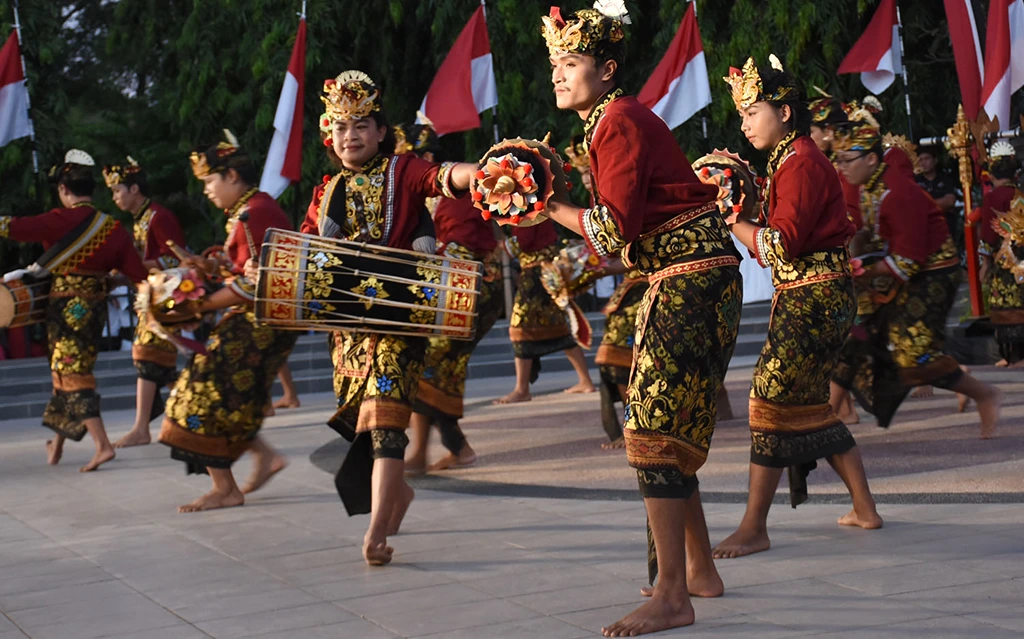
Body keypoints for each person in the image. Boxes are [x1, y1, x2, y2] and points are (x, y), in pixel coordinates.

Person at [539, 5, 741, 635]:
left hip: (690, 279)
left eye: (570, 64)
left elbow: (612, 228)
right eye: (554, 66)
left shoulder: (618, 120)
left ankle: (672, 593)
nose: (559, 77)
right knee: (666, 425)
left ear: (607, 69)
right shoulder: (609, 122)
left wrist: (548, 206)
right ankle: (699, 571)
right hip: (683, 276)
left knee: (651, 429)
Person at [300, 70, 480, 565]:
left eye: (360, 125)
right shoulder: (326, 191)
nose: (349, 136)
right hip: (349, 331)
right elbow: (310, 250)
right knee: (367, 422)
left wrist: (482, 172)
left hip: (402, 321)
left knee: (385, 422)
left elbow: (446, 177)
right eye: (339, 127)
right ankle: (397, 495)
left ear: (381, 131)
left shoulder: (404, 171)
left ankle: (377, 531)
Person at [709, 56, 882, 563]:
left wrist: (727, 218)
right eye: (741, 114)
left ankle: (753, 526)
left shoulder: (802, 161)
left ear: (785, 111)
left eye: (752, 111)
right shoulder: (789, 159)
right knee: (806, 407)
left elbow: (780, 246)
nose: (744, 124)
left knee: (768, 403)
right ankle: (864, 508)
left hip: (814, 295)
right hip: (812, 294)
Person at [831, 116, 1003, 438]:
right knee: (856, 331)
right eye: (838, 160)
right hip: (902, 267)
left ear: (870, 159)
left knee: (914, 355)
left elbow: (908, 262)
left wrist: (862, 271)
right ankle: (827, 416)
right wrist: (853, 257)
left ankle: (984, 393)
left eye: (846, 160)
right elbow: (871, 233)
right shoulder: (870, 188)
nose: (842, 167)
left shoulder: (897, 193)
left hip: (933, 275)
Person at [157, 131, 297, 512]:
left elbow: (256, 284)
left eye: (209, 181)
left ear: (232, 176)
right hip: (258, 322)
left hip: (259, 322)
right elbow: (243, 271)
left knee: (197, 393)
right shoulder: (251, 209)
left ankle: (226, 488)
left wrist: (198, 306)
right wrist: (213, 268)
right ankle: (263, 459)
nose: (206, 190)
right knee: (228, 397)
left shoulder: (256, 212)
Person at [0, 150, 148, 471]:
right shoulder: (113, 228)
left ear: (64, 190)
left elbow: (14, 227)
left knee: (73, 374)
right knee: (64, 373)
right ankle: (58, 442)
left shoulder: (57, 219)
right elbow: (138, 275)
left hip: (66, 310)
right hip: (95, 311)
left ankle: (103, 445)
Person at [399, 123, 504, 473]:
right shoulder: (429, 199)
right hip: (456, 291)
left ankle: (421, 454)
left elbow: (462, 250)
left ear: (426, 158)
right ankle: (458, 448)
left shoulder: (455, 194)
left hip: (472, 291)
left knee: (427, 361)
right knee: (437, 368)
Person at [102, 158, 188, 448]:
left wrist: (132, 265)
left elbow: (175, 260)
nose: (115, 197)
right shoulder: (143, 218)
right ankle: (194, 413)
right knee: (159, 364)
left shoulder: (158, 217)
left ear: (134, 188)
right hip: (152, 298)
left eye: (117, 191)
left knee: (146, 354)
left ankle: (142, 428)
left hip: (165, 299)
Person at [494, 221, 597, 404]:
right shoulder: (535, 205)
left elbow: (521, 244)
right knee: (560, 325)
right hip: (544, 272)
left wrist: (501, 241)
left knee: (520, 326)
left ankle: (521, 389)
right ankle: (585, 380)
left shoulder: (528, 210)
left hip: (537, 274)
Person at [974, 141, 1023, 366]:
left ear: (992, 174)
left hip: (1004, 262)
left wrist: (984, 263)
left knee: (1007, 306)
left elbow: (988, 237)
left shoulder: (992, 199)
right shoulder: (1020, 194)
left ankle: (1012, 356)